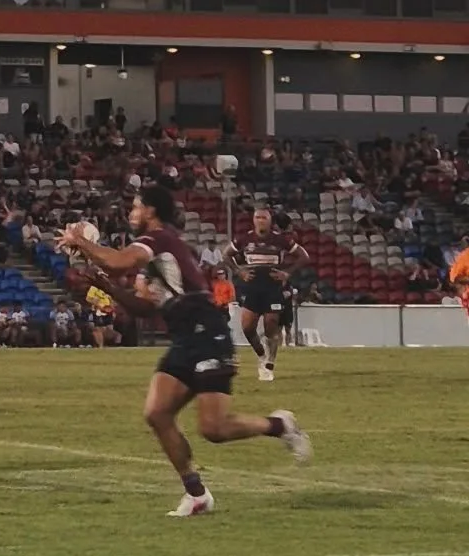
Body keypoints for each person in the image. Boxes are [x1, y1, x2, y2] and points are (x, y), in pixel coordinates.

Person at [63, 185, 311, 519]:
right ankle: (196, 494)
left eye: (135, 207)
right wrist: (105, 286)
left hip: (207, 332)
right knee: (157, 414)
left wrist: (82, 242)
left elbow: (118, 261)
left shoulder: (159, 240)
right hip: (183, 338)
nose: (131, 213)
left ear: (151, 211)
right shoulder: (155, 254)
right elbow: (144, 308)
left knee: (214, 429)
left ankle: (280, 425)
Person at [227, 208, 309, 383]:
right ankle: (261, 354)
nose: (260, 220)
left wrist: (288, 273)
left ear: (270, 221)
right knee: (248, 327)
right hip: (252, 287)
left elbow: (303, 256)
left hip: (273, 288)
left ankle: (269, 363)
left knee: (271, 324)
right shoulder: (245, 238)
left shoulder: (281, 239)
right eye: (257, 217)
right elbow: (226, 255)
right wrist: (238, 271)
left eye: (264, 217)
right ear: (253, 220)